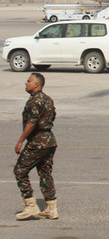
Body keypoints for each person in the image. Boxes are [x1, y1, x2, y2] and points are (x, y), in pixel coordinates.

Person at [14, 73, 58, 220]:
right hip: (49, 141)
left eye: (29, 81)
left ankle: (30, 205)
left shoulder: (34, 101)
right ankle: (51, 208)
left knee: (20, 171)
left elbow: (31, 123)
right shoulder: (47, 99)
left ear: (36, 85)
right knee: (45, 173)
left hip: (38, 141)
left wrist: (21, 140)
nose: (26, 83)